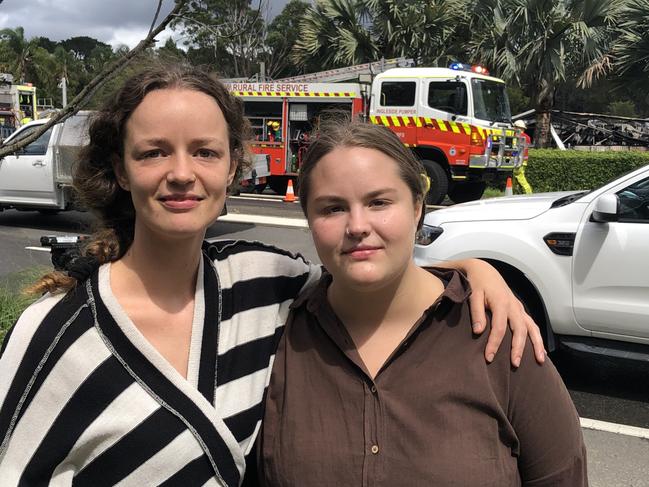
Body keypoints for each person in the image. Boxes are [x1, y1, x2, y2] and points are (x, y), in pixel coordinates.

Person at [0, 64, 543, 486]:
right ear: (120, 169)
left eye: (205, 152)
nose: (182, 173)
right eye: (154, 152)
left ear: (233, 167)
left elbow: (367, 270)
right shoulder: (54, 334)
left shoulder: (261, 280)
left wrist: (470, 272)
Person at [258, 121, 586, 486]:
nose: (357, 225)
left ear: (417, 208)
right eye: (332, 208)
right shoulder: (277, 334)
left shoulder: (497, 333)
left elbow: (562, 474)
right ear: (308, 220)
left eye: (379, 202)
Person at [513, 119, 533, 194]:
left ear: (518, 127)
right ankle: (514, 193)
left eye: (514, 127)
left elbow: (514, 148)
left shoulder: (517, 136)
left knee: (521, 178)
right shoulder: (527, 137)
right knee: (515, 179)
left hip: (518, 161)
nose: (513, 129)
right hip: (524, 161)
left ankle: (529, 194)